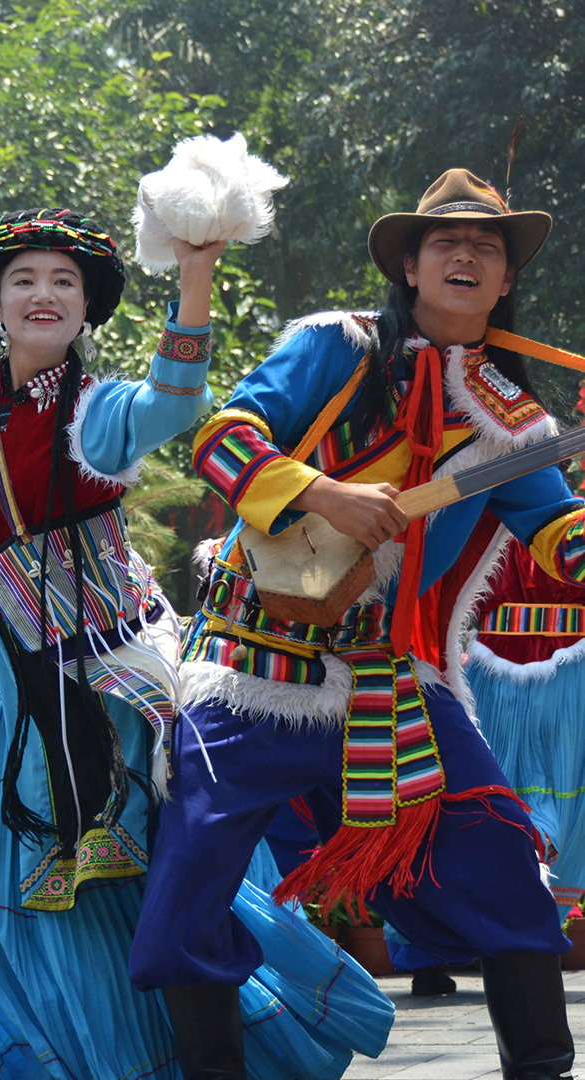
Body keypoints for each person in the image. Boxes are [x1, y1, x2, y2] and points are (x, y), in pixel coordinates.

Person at [0, 212, 394, 1080]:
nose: (43, 294)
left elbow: (173, 402)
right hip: (23, 698)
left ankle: (178, 1060)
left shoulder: (94, 414)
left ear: (86, 308)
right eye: (24, 279)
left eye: (64, 282)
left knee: (136, 892)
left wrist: (195, 275)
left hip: (115, 686)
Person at [130, 169, 582, 1080]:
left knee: (501, 857)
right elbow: (222, 438)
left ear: (505, 282)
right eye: (446, 242)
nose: (465, 256)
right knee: (190, 877)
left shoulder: (516, 424)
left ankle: (542, 1068)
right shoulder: (334, 347)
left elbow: (561, 536)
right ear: (410, 266)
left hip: (390, 676)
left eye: (486, 248)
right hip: (253, 666)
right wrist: (324, 494)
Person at [466, 536, 585, 912]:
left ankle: (511, 916)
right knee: (507, 797)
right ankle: (529, 917)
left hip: (499, 671)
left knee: (489, 794)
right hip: (562, 671)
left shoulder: (483, 523)